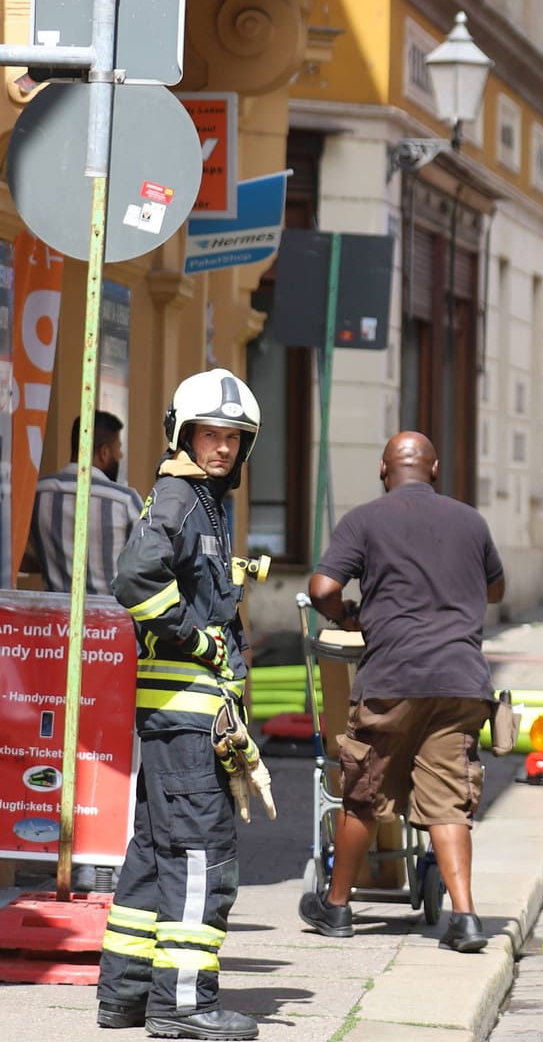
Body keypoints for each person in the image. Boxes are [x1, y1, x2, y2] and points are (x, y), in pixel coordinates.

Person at [97, 368, 267, 1040]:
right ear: (184, 434)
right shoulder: (181, 498)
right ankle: (185, 1006)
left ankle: (127, 998)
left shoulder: (202, 500)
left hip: (177, 717)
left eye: (233, 437)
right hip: (188, 714)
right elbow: (134, 578)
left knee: (154, 854)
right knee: (202, 855)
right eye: (210, 434)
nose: (222, 447)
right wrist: (197, 639)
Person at [297, 431, 505, 955]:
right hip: (461, 683)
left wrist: (348, 615)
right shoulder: (471, 521)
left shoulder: (364, 520)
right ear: (434, 469)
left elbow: (322, 588)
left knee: (364, 792)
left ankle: (338, 907)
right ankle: (465, 917)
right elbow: (497, 588)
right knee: (449, 801)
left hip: (392, 679)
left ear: (383, 470)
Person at [25, 411, 143, 594]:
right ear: (104, 452)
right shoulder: (124, 501)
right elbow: (147, 562)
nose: (120, 454)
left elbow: (12, 554)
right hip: (112, 619)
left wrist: (48, 561)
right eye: (117, 448)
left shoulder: (36, 494)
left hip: (55, 619)